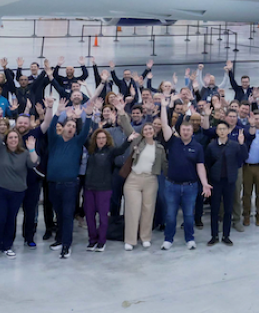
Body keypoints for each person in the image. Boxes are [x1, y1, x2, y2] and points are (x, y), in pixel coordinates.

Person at [42, 103, 92, 259]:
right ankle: (59, 239)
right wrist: (57, 112)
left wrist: (89, 116)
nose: (71, 128)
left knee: (67, 214)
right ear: (62, 127)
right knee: (59, 214)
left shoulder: (77, 142)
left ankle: (66, 245)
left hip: (69, 185)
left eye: (73, 126)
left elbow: (85, 132)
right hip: (53, 184)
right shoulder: (54, 140)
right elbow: (50, 127)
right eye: (68, 125)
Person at [161, 103, 209, 251]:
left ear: (192, 131)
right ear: (179, 130)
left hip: (190, 186)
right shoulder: (173, 142)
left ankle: (190, 238)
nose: (186, 132)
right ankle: (168, 239)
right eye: (183, 129)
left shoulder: (198, 147)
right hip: (171, 185)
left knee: (188, 215)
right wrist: (164, 106)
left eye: (188, 130)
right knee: (170, 215)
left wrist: (205, 183)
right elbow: (164, 125)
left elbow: (200, 166)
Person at [119, 113, 165, 250]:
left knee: (148, 209)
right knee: (133, 210)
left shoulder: (160, 148)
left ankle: (145, 237)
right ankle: (130, 240)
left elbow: (165, 165)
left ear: (154, 131)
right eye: (146, 130)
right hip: (134, 179)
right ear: (143, 132)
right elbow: (127, 127)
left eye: (151, 129)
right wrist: (122, 111)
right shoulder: (137, 142)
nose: (148, 131)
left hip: (150, 180)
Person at [84, 126, 130, 252]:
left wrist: (129, 140)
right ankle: (92, 239)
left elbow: (121, 150)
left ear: (107, 139)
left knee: (103, 217)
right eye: (99, 138)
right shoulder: (91, 150)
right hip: (89, 187)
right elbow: (82, 137)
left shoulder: (111, 151)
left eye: (103, 138)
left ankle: (101, 241)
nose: (101, 140)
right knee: (89, 216)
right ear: (95, 139)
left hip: (104, 188)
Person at [202, 119, 242, 246]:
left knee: (228, 209)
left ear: (228, 131)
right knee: (215, 209)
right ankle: (214, 235)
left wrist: (242, 144)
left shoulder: (235, 145)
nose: (222, 131)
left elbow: (242, 158)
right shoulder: (211, 146)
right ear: (217, 131)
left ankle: (226, 235)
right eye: (220, 129)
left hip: (229, 181)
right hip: (216, 181)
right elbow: (207, 164)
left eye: (224, 129)